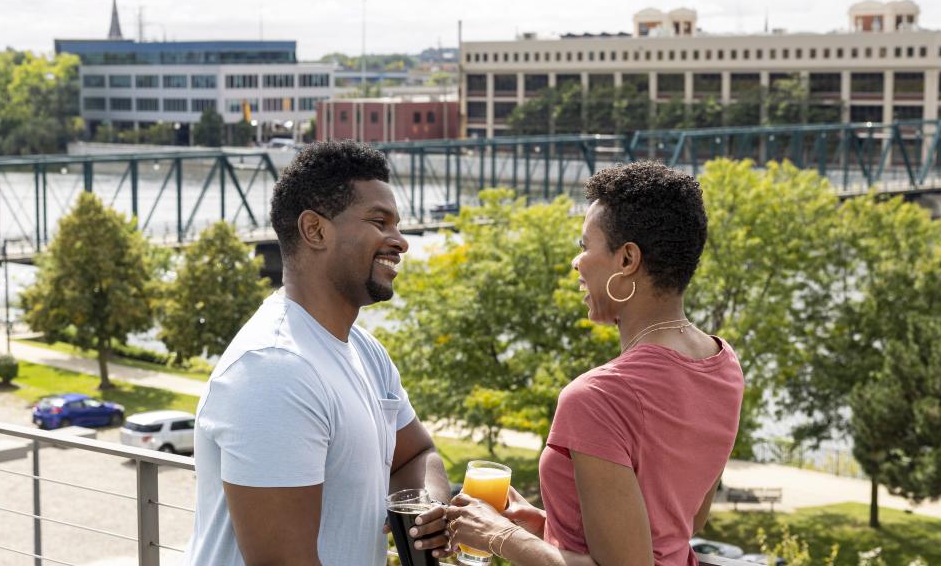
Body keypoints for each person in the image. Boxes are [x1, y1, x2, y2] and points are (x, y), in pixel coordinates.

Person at [413, 161, 745, 566]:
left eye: (585, 246)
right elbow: (681, 523)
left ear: (627, 260)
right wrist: (541, 526)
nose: (576, 262)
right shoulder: (723, 363)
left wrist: (499, 535)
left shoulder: (598, 397)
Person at [186, 140, 452, 566]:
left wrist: (429, 510)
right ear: (315, 230)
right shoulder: (274, 370)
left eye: (396, 225)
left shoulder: (367, 353)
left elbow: (416, 455)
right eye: (379, 222)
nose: (400, 241)